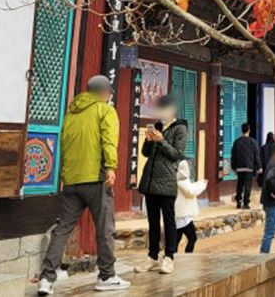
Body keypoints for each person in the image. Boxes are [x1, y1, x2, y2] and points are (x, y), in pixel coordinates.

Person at [38, 76, 129, 295]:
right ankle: (106, 276)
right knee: (105, 228)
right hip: (95, 178)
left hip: (72, 180)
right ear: (104, 92)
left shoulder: (71, 115)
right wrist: (111, 167)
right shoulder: (105, 110)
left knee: (62, 229)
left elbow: (64, 146)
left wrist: (64, 175)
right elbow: (109, 139)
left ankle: (46, 278)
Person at [135, 95, 189, 275]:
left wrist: (161, 141)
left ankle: (169, 257)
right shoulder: (157, 126)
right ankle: (152, 256)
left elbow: (176, 154)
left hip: (166, 181)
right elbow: (145, 153)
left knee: (169, 220)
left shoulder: (180, 128)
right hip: (150, 181)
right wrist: (149, 141)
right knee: (152, 221)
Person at [174, 160, 207, 254]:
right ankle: (188, 257)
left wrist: (200, 183)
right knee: (192, 238)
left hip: (178, 212)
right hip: (183, 213)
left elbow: (189, 187)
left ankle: (173, 258)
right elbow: (191, 192)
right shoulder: (181, 179)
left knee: (176, 240)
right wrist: (203, 185)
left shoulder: (176, 177)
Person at [230, 123, 261, 209]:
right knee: (247, 185)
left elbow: (233, 155)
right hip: (249, 167)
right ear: (249, 131)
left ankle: (238, 201)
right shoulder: (253, 142)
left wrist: (234, 167)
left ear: (242, 130)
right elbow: (256, 156)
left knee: (240, 184)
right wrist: (258, 167)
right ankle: (246, 203)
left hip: (239, 167)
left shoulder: (236, 142)